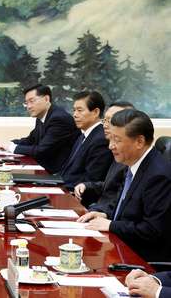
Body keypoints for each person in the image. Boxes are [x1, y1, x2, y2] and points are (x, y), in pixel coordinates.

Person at [77, 109, 171, 261]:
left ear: (139, 141)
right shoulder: (133, 164)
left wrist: (111, 225)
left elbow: (152, 230)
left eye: (117, 140)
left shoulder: (158, 175)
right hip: (120, 248)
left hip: (141, 262)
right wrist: (106, 215)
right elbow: (125, 209)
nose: (110, 146)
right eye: (111, 139)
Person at [0, 84, 79, 173]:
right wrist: (9, 143)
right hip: (44, 168)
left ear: (46, 99)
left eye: (32, 101)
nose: (28, 107)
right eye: (26, 103)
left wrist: (12, 147)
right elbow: (31, 140)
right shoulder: (42, 116)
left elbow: (41, 150)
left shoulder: (58, 119)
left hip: (58, 174)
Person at [73, 101, 134, 208]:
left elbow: (121, 197)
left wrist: (102, 213)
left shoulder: (131, 155)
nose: (105, 125)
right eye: (105, 120)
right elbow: (110, 185)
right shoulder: (118, 149)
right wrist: (87, 185)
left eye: (111, 121)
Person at [57, 90, 112, 190]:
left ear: (96, 112)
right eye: (74, 110)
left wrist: (59, 187)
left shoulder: (101, 139)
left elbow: (91, 178)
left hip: (78, 195)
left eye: (80, 110)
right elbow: (68, 170)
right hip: (63, 185)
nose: (75, 115)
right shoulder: (83, 135)